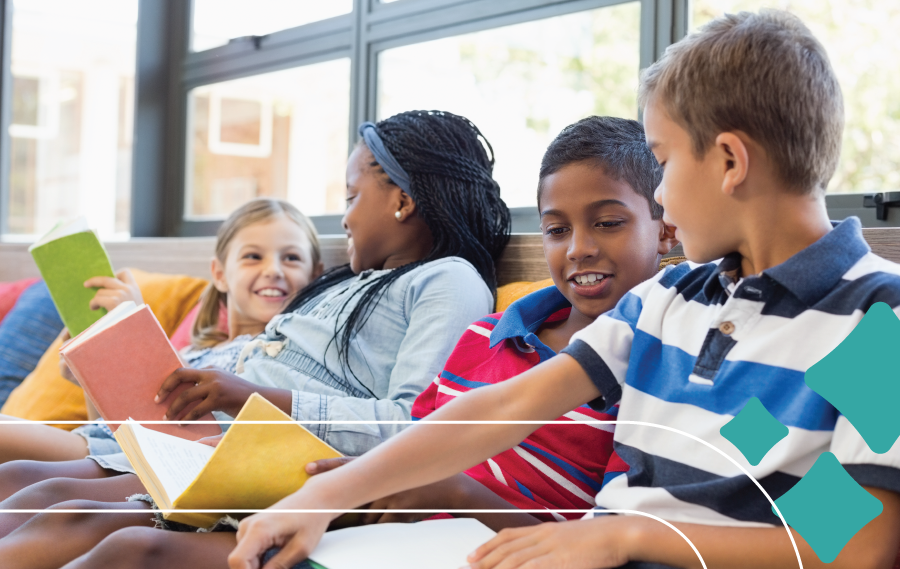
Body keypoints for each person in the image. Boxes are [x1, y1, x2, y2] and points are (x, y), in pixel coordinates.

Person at [226, 11, 900, 569]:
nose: (661, 197)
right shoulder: (670, 299)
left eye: (662, 164)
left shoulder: (877, 319)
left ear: (728, 161)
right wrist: (325, 494)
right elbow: (508, 404)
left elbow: (853, 547)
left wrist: (624, 533)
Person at [45, 115, 677, 569]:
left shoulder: (669, 360)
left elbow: (619, 528)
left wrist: (449, 491)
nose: (580, 247)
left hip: (474, 542)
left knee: (130, 542)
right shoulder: (495, 335)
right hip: (376, 522)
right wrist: (338, 488)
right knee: (100, 523)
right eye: (557, 229)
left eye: (609, 223)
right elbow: (420, 438)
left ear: (668, 228)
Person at [0, 109, 511, 569]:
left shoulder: (448, 280)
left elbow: (414, 428)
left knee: (71, 514)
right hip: (206, 446)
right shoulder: (345, 283)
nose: (346, 217)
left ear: (401, 201)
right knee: (33, 487)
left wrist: (250, 395)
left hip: (265, 467)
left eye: (352, 198)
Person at [0, 197, 323, 469]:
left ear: (315, 275)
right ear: (220, 274)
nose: (273, 270)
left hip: (142, 459)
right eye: (253, 256)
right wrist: (91, 378)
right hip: (104, 446)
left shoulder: (274, 355)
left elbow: (191, 425)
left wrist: (136, 328)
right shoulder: (198, 351)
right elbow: (107, 425)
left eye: (291, 258)